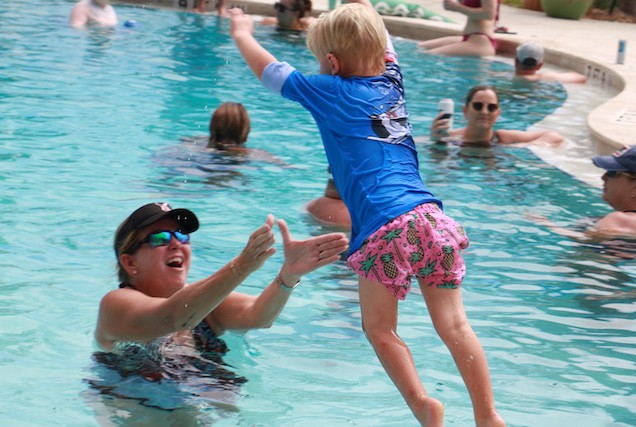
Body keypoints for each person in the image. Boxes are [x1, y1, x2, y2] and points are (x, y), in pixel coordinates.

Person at [230, 2, 505, 426]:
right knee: (455, 324)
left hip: (385, 227)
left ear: (333, 63)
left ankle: (422, 404)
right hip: (431, 219)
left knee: (379, 329)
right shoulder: (392, 80)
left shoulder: (329, 90)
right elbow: (380, 38)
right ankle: (487, 414)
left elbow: (271, 72)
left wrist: (241, 32)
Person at [95, 202, 348, 354]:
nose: (176, 244)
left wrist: (288, 275)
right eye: (160, 238)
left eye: (182, 236)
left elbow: (258, 316)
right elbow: (174, 317)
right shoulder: (115, 305)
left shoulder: (206, 303)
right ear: (130, 262)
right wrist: (241, 266)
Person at [533, 146, 636, 240]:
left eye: (612, 173)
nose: (603, 177)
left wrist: (547, 224)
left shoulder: (619, 220)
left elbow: (585, 238)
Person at [431, 84, 564, 147]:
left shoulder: (502, 138)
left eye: (491, 107)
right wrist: (435, 140)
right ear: (465, 111)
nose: (484, 112)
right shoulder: (451, 137)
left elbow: (554, 136)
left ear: (497, 114)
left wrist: (524, 146)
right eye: (478, 106)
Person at [418, 0, 500, 56]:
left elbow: (489, 14)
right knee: (418, 47)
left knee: (426, 56)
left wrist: (458, 8)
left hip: (480, 42)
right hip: (469, 38)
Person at [514, 41, 587, 84]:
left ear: (516, 61)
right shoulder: (545, 78)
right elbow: (582, 78)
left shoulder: (508, 77)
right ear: (540, 66)